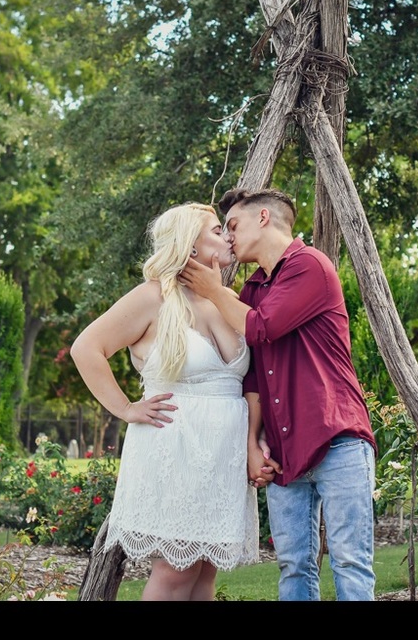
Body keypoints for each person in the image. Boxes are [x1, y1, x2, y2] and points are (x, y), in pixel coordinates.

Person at [178, 187, 378, 602]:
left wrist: (214, 290)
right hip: (283, 453)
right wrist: (253, 442)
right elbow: (251, 377)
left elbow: (261, 327)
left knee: (350, 563)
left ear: (264, 218)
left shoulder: (310, 267)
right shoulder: (252, 288)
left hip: (337, 440)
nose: (228, 237)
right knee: (294, 567)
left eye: (232, 225)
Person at [70, 202, 265, 601]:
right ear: (189, 246)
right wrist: (125, 408)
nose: (228, 235)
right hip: (178, 449)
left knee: (205, 573)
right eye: (216, 229)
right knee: (176, 571)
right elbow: (86, 348)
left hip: (223, 456)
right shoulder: (153, 297)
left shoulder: (226, 299)